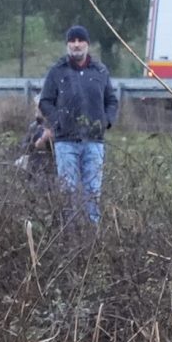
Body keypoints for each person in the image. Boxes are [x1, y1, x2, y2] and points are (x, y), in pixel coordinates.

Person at [37, 24, 118, 224]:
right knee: (68, 192)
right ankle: (69, 235)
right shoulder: (57, 72)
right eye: (72, 41)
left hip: (94, 142)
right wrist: (58, 122)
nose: (76, 44)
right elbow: (45, 102)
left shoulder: (100, 71)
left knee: (93, 192)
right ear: (67, 45)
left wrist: (106, 122)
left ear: (87, 44)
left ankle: (92, 234)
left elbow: (112, 101)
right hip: (65, 142)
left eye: (80, 40)